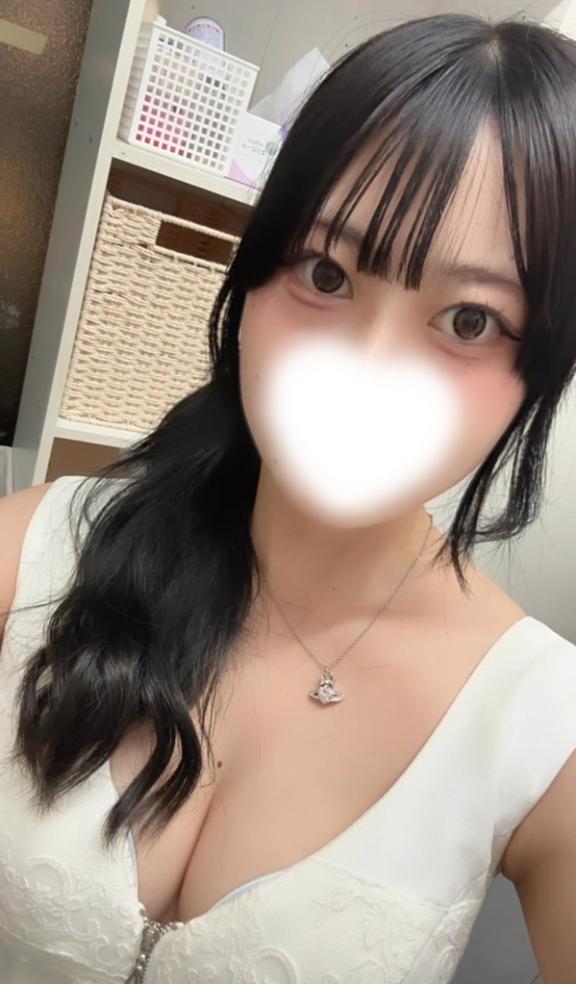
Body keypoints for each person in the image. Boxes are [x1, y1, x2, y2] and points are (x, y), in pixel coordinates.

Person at [2, 11, 576, 984]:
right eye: (325, 272)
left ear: (540, 372)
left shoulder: (546, 722)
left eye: (470, 320)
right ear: (254, 278)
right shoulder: (35, 550)